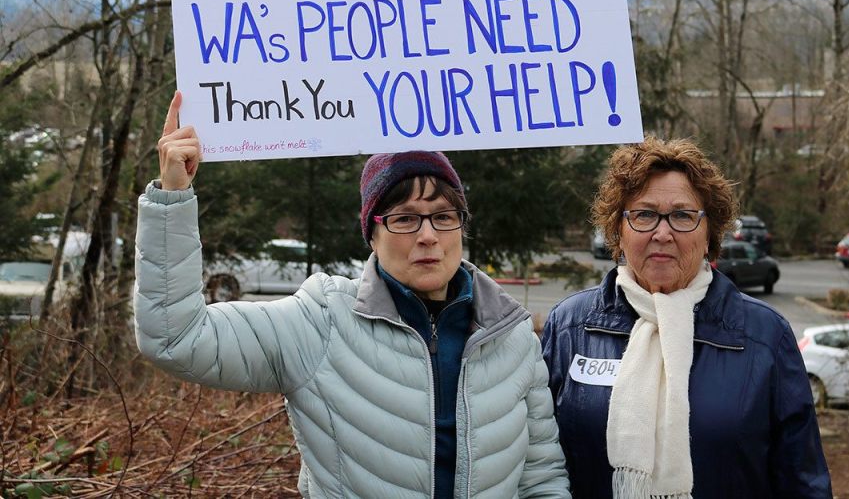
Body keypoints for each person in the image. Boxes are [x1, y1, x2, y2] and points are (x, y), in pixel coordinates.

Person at [134, 91, 570, 498]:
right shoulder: (320, 321)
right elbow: (177, 338)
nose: (427, 236)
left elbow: (541, 477)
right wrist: (174, 197)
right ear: (372, 234)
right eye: (404, 219)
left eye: (443, 216)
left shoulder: (512, 338)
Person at [541, 137, 832, 498]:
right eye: (644, 214)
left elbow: (802, 481)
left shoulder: (764, 336)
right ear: (618, 230)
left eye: (682, 215)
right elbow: (539, 464)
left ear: (710, 233)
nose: (662, 233)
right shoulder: (570, 327)